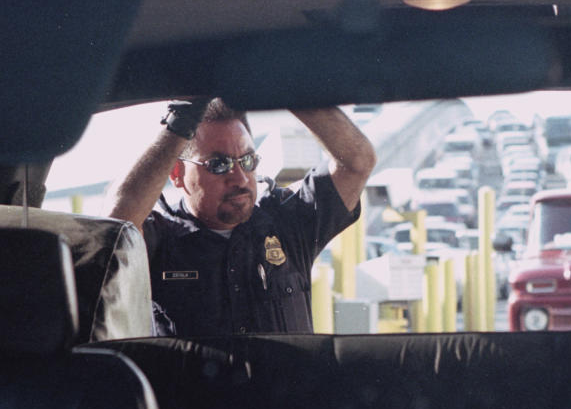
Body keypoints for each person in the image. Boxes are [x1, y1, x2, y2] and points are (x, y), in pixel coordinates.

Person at [106, 98, 377, 336]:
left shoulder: (288, 223)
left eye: (247, 161)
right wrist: (183, 117)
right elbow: (115, 223)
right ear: (177, 174)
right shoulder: (159, 237)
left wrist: (292, 88)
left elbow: (357, 161)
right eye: (218, 164)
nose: (239, 178)